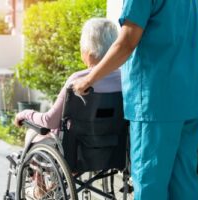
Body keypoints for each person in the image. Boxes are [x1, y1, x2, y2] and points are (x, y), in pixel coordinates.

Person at [73, 1, 198, 200]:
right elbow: (193, 37)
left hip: (156, 101)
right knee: (184, 181)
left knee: (150, 184)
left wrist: (88, 79)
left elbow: (127, 42)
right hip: (190, 97)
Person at [14, 18, 122, 199]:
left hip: (76, 152)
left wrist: (25, 113)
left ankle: (40, 187)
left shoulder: (79, 80)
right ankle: (52, 184)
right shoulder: (124, 79)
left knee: (32, 133)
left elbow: (49, 121)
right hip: (111, 149)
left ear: (88, 50)